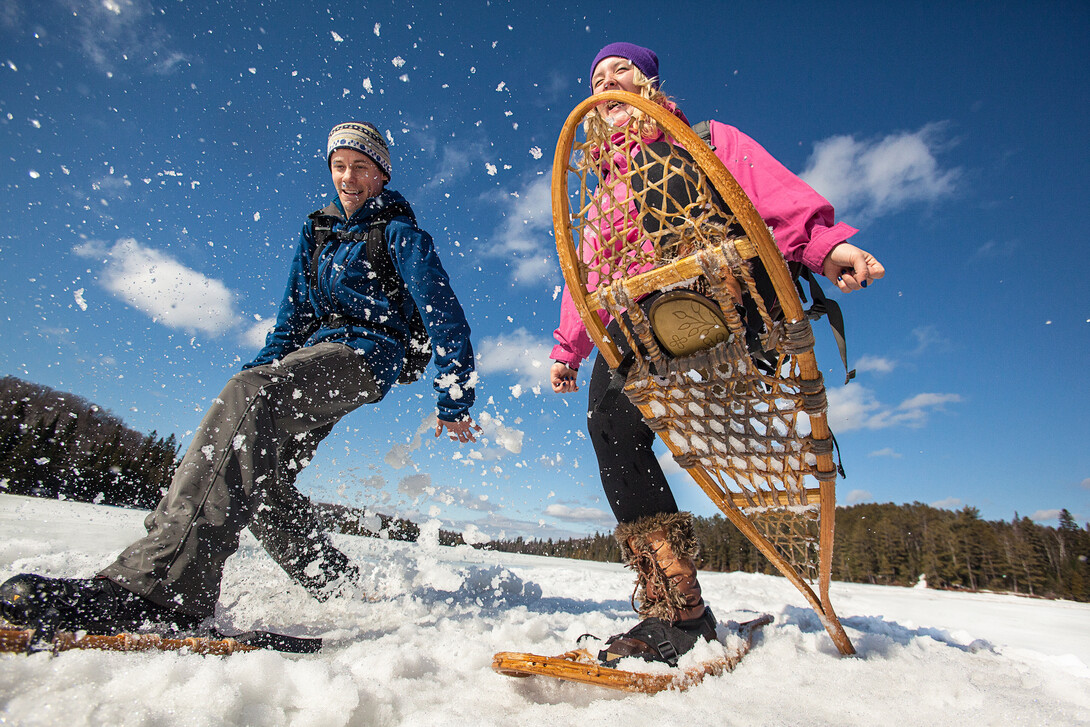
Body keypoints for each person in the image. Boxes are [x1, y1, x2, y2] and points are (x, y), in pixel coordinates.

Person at [1, 121, 480, 636]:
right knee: (256, 462)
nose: (349, 177)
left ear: (382, 175)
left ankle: (164, 586)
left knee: (250, 402)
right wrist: (255, 374)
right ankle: (334, 581)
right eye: (339, 166)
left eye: (361, 166)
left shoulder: (400, 234)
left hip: (365, 356)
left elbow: (443, 313)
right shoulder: (316, 230)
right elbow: (291, 318)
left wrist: (454, 395)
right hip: (314, 351)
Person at [549, 43, 885, 665]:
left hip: (730, 309)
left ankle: (702, 309)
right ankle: (679, 611)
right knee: (610, 426)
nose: (607, 82)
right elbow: (585, 278)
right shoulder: (599, 200)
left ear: (649, 82)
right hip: (642, 328)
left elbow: (769, 196)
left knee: (696, 239)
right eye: (596, 77)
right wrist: (569, 351)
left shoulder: (703, 140)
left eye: (620, 70)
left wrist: (823, 246)